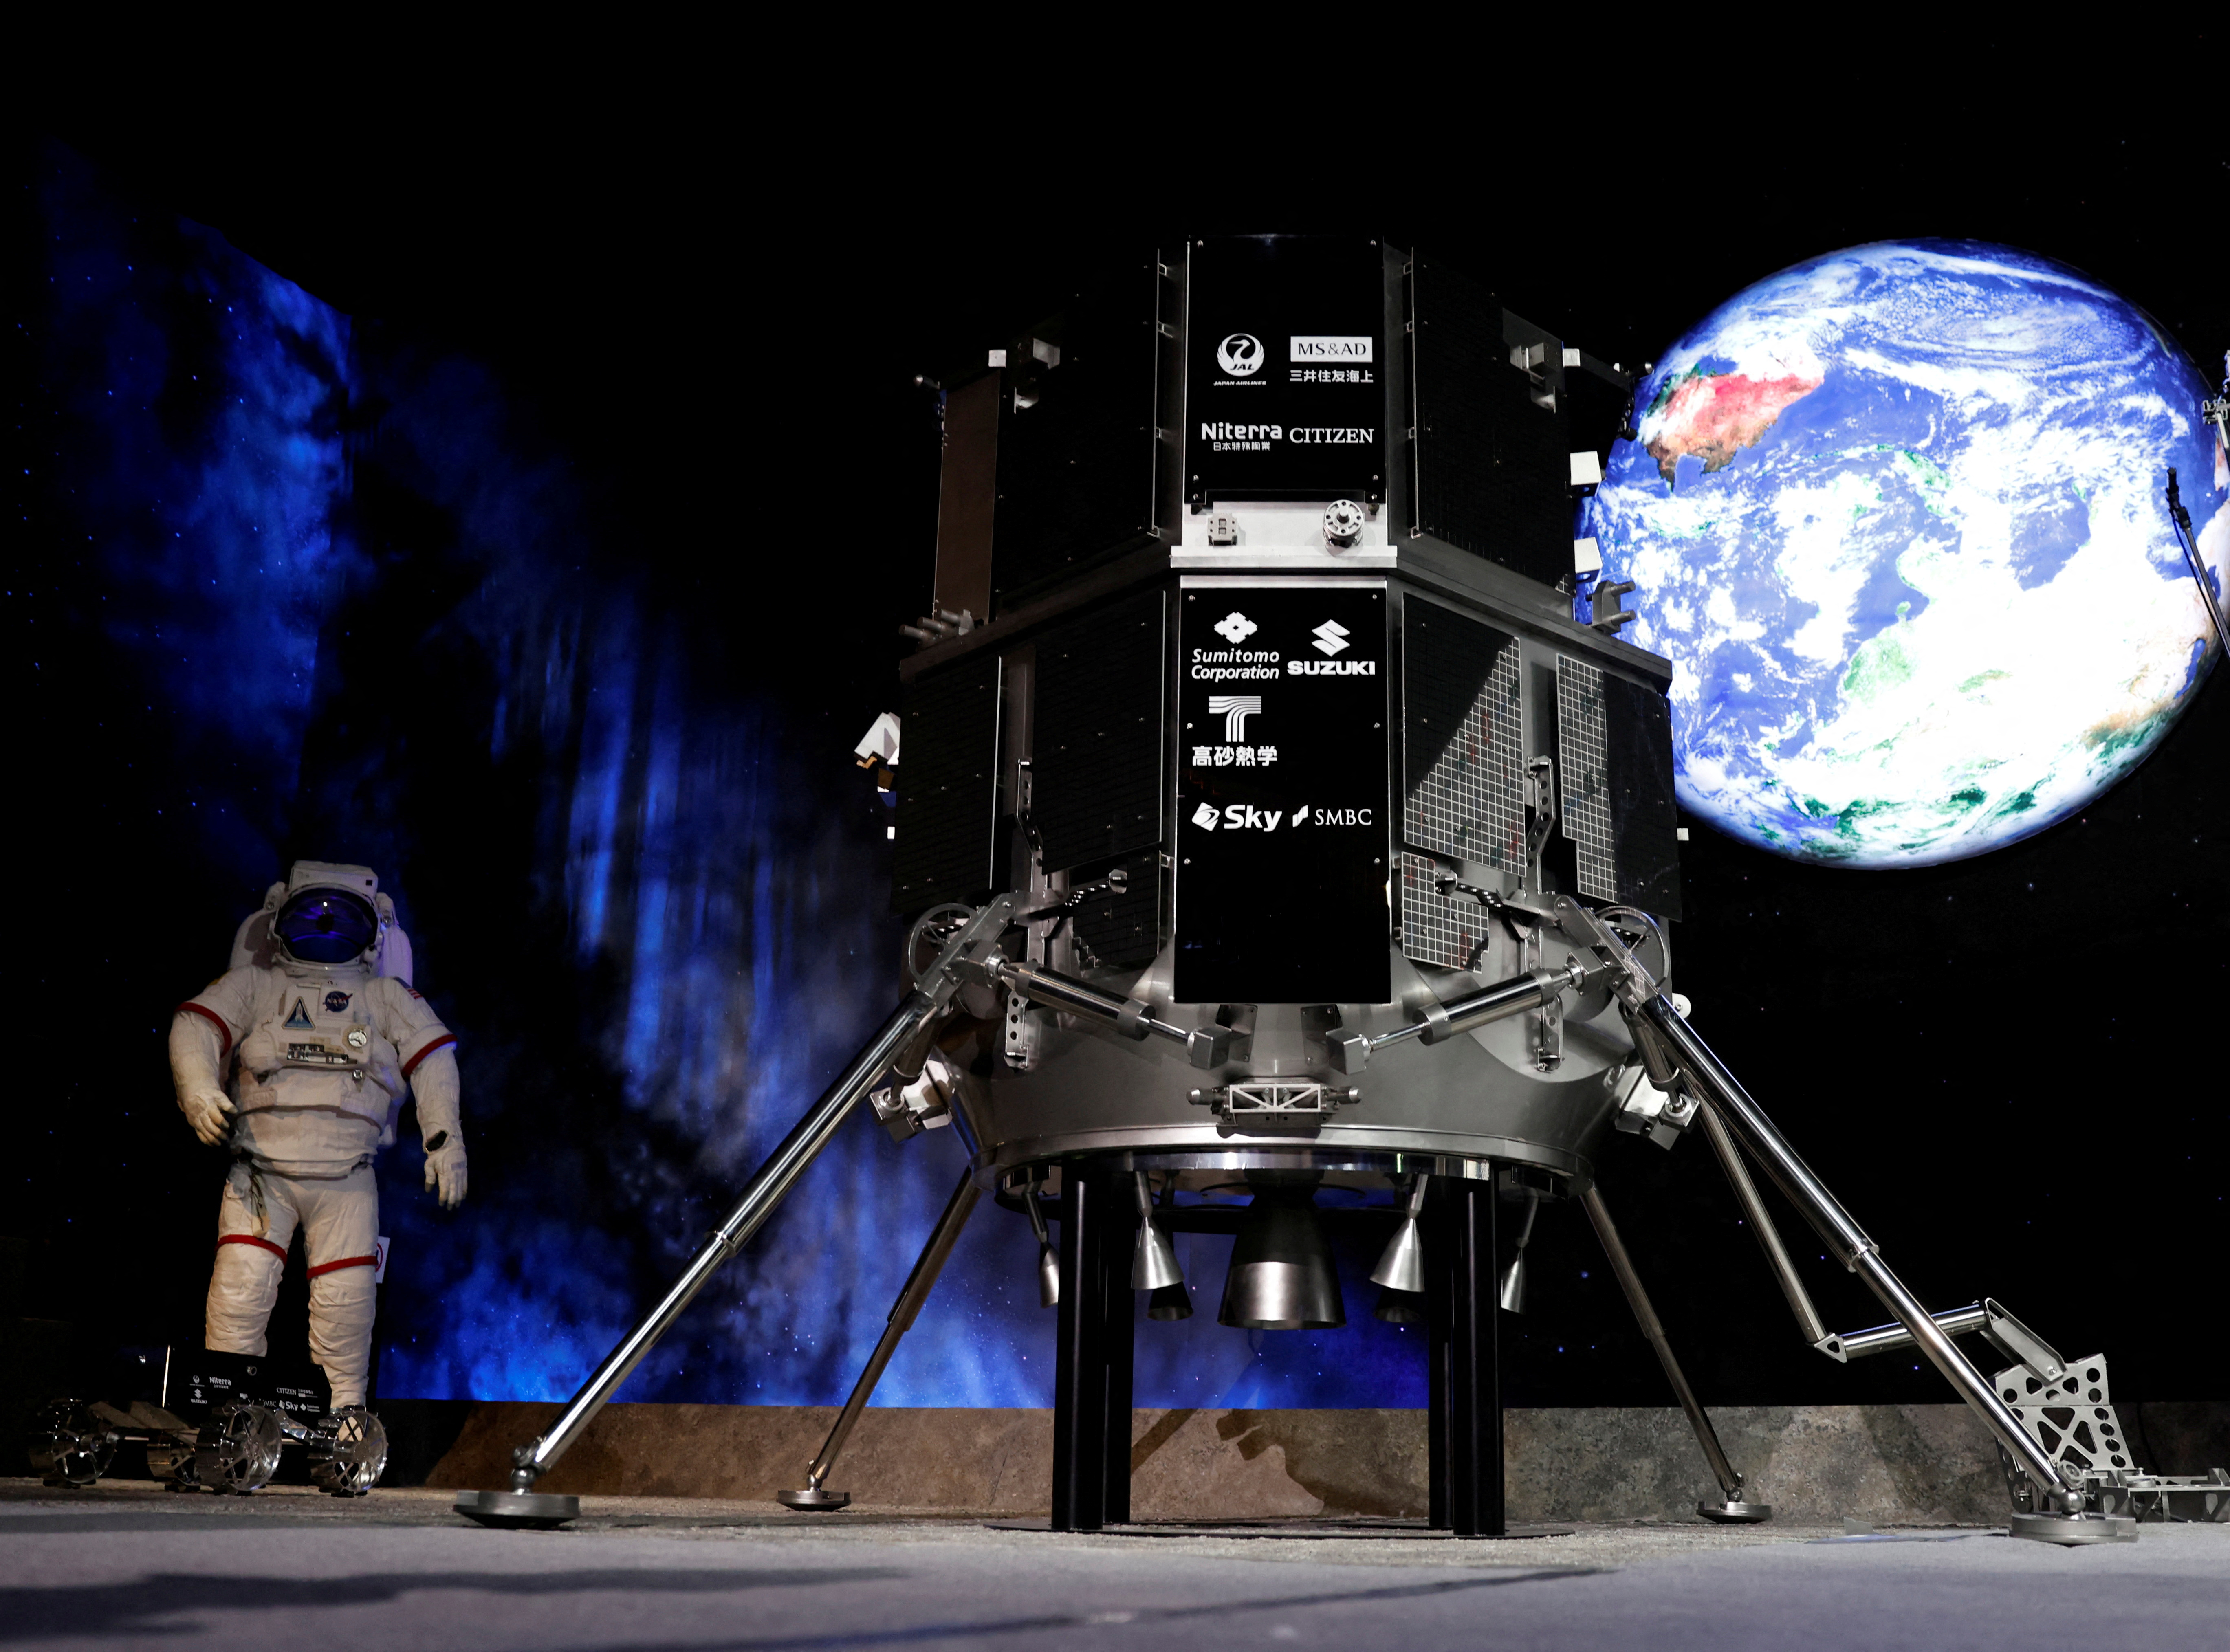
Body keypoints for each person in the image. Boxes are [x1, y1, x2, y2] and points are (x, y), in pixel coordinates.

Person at [168, 861, 465, 1414]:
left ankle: (344, 1417)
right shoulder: (257, 986)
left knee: (345, 1308)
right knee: (239, 1297)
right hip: (260, 1174)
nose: (326, 925)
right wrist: (200, 1093)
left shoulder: (384, 997)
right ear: (277, 921)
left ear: (374, 934)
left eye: (342, 917)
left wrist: (445, 1141)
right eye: (311, 914)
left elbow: (433, 1056)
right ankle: (231, 1416)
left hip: (346, 1182)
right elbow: (195, 1026)